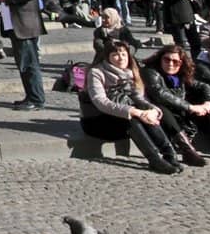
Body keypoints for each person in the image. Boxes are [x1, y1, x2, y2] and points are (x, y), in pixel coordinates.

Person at [77, 39, 181, 175]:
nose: (121, 58)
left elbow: (138, 97)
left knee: (144, 113)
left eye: (124, 54)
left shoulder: (131, 71)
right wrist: (134, 111)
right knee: (132, 117)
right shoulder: (97, 72)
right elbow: (100, 102)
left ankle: (169, 154)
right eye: (115, 54)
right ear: (107, 57)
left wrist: (152, 109)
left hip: (122, 118)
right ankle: (154, 159)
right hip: (98, 120)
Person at [142, 45, 210, 163]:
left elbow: (204, 86)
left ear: (181, 63)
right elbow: (160, 94)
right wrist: (190, 107)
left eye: (175, 61)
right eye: (167, 59)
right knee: (161, 107)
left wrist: (208, 103)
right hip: (162, 114)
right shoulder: (150, 72)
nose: (170, 64)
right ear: (160, 59)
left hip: (181, 113)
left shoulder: (181, 74)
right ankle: (187, 150)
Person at [2, 0, 46, 111]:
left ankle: (37, 99)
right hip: (15, 26)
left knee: (29, 64)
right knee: (23, 63)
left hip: (25, 26)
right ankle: (30, 96)